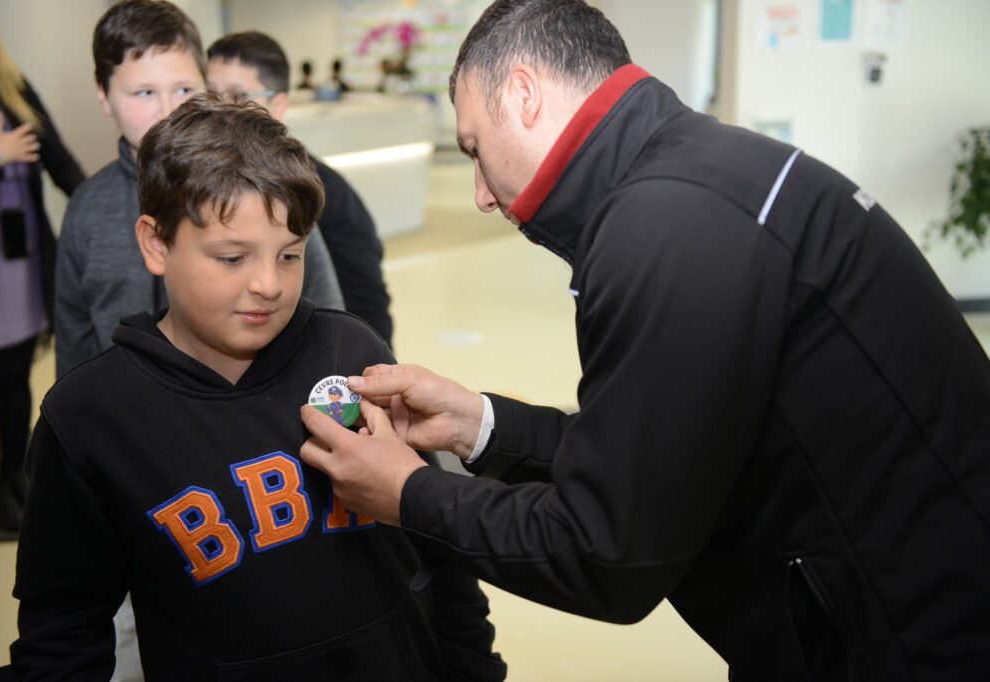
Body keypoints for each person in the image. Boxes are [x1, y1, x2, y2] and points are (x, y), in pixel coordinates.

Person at [299, 0, 990, 679]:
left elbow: (608, 553)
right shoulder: (698, 174)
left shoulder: (663, 224)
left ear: (524, 93)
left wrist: (407, 492)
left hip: (905, 637)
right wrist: (480, 425)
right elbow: (661, 456)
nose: (479, 193)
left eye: (475, 148)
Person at [11, 93, 506, 681]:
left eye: (290, 255)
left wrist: (474, 667)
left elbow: (436, 542)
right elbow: (63, 632)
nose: (268, 284)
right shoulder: (88, 418)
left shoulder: (351, 355)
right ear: (155, 242)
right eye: (231, 257)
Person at [54, 0, 343, 379]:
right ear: (104, 94)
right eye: (143, 93)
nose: (168, 109)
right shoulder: (88, 208)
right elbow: (74, 346)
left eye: (184, 88)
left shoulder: (259, 186)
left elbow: (326, 315)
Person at [0, 0, 84, 531]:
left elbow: (58, 157)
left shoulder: (13, 88)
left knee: (16, 376)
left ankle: (16, 473)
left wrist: (95, 205)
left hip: (23, 265)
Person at [207, 31, 393, 345]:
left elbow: (365, 299)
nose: (219, 110)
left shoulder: (319, 191)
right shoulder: (200, 181)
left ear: (278, 105)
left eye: (238, 96)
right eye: (210, 95)